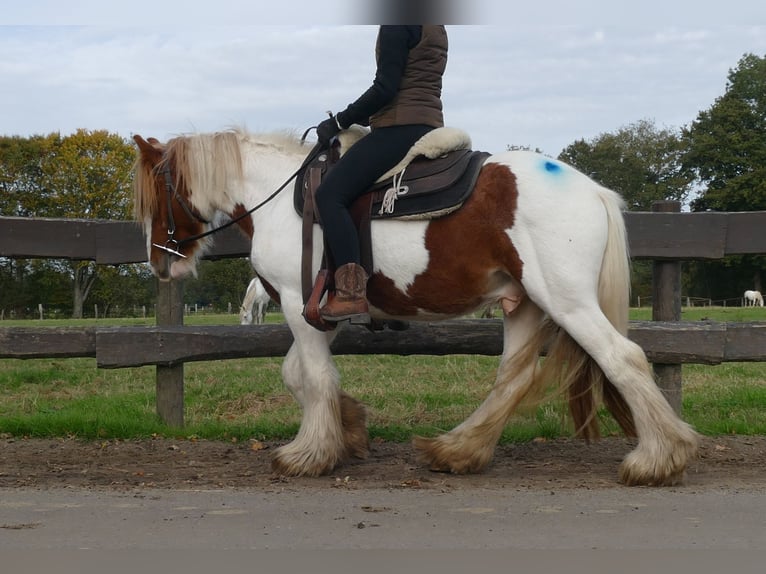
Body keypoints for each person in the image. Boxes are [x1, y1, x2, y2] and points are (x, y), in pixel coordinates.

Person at [314, 25, 448, 324]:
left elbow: (385, 88)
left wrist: (339, 121)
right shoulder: (434, 25)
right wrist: (356, 117)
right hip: (427, 123)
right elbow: (406, 83)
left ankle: (350, 293)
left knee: (330, 195)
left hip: (399, 128)